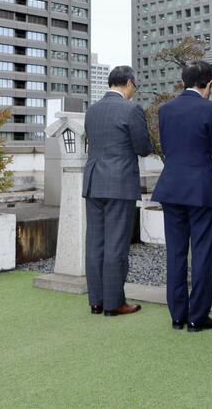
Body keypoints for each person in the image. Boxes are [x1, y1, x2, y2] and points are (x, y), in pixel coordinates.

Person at [152, 60, 212, 332]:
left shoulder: (165, 109)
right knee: (202, 253)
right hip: (201, 189)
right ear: (207, 83)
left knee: (175, 253)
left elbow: (168, 146)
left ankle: (177, 315)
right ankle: (197, 317)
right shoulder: (211, 109)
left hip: (171, 187)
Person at [83, 65, 153, 316]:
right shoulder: (132, 109)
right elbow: (143, 147)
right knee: (116, 244)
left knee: (95, 243)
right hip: (119, 182)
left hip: (93, 183)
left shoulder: (92, 110)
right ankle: (114, 303)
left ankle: (96, 301)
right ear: (130, 83)